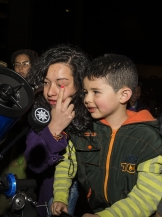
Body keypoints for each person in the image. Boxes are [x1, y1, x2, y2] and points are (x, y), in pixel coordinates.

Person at [51, 54, 162, 217]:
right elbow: (67, 162)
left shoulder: (148, 139)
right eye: (85, 91)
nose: (87, 99)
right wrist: (60, 196)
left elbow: (147, 197)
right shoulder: (83, 129)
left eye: (96, 92)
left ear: (124, 95)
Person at [24, 44, 91, 217]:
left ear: (79, 85)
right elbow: (34, 163)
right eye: (46, 83)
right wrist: (54, 127)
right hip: (50, 200)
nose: (50, 92)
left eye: (61, 84)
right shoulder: (41, 114)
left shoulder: (95, 113)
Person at [0, 48, 38, 216]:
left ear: (33, 66)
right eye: (17, 64)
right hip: (8, 145)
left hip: (27, 149)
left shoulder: (39, 90)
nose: (20, 68)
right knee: (4, 191)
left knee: (22, 193)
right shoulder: (9, 89)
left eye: (25, 64)